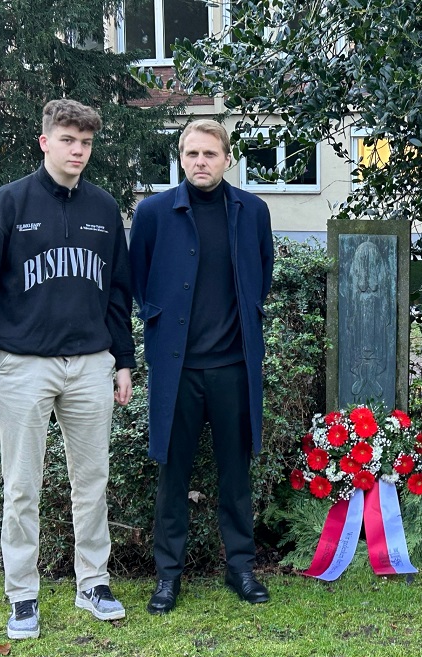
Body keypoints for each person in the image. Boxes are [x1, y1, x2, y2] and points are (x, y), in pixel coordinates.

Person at [0, 99, 136, 639]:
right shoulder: (7, 204)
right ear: (45, 142)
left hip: (89, 365)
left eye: (85, 142)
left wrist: (123, 360)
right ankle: (23, 595)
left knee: (92, 481)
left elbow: (117, 293)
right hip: (23, 366)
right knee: (22, 487)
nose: (77, 150)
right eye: (68, 140)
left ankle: (92, 583)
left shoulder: (104, 209)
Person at [129, 120, 274, 613]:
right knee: (173, 476)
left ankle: (241, 569)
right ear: (181, 158)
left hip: (234, 366)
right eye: (191, 153)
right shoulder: (152, 213)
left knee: (236, 476)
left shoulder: (253, 212)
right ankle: (167, 577)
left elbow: (263, 273)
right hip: (179, 372)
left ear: (227, 159)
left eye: (210, 154)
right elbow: (140, 280)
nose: (200, 162)